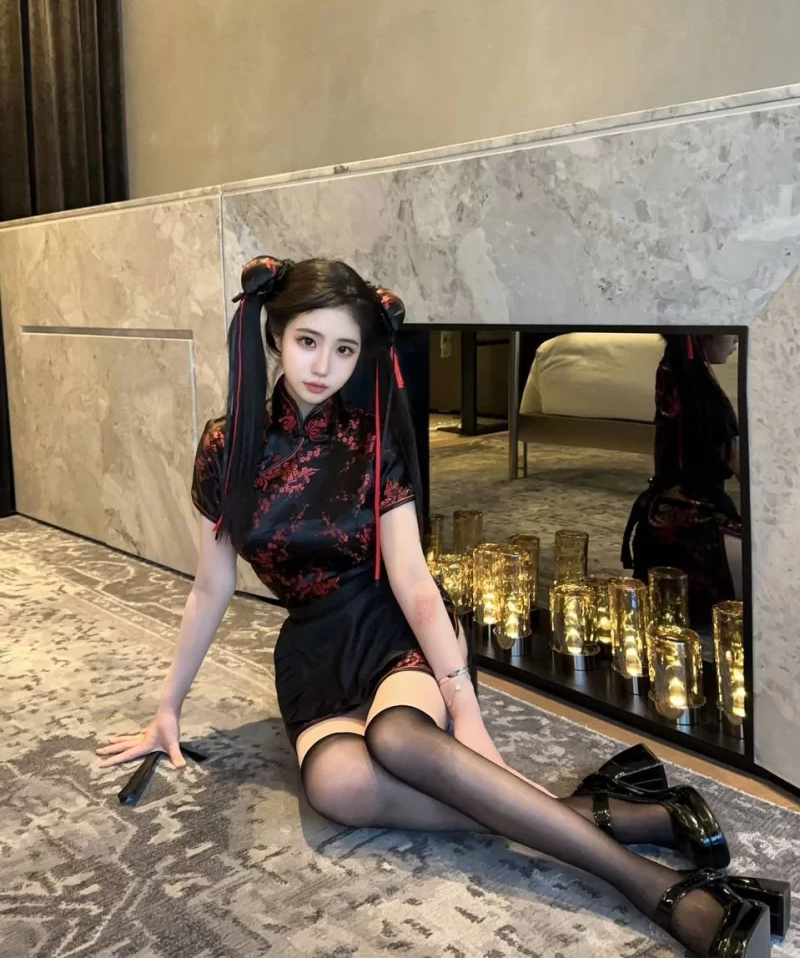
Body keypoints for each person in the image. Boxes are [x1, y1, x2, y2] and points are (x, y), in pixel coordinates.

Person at [98, 259, 776, 957]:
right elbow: (210, 587)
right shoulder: (224, 446)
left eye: (344, 349)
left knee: (397, 738)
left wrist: (467, 713)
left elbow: (415, 583)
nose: (323, 366)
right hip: (313, 648)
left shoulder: (371, 440)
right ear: (275, 336)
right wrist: (168, 709)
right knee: (337, 787)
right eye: (308, 342)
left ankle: (655, 888)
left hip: (393, 625)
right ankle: (629, 815)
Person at [623, 334, 742, 626]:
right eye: (730, 331)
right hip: (700, 533)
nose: (736, 339)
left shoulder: (671, 372)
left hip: (659, 520)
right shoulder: (703, 396)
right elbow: (743, 467)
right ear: (703, 334)